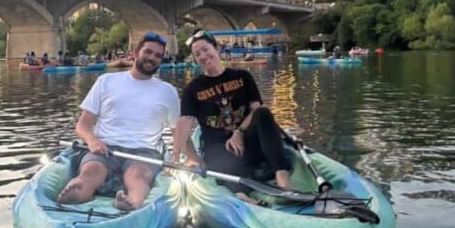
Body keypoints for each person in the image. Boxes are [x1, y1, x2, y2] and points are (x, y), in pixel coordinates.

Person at [57, 32, 180, 210]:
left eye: (158, 56)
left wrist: (177, 158)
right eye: (148, 52)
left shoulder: (168, 91)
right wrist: (92, 141)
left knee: (137, 176)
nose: (152, 58)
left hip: (144, 151)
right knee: (91, 171)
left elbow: (177, 131)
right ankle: (77, 190)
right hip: (105, 147)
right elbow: (82, 125)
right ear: (137, 52)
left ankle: (132, 201)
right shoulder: (106, 81)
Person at [173, 29, 292, 198]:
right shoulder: (193, 89)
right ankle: (242, 196)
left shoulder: (242, 76)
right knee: (222, 158)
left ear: (217, 49)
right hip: (219, 148)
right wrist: (175, 155)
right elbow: (184, 121)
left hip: (248, 142)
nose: (203, 56)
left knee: (263, 113)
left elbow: (256, 109)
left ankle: (284, 183)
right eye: (197, 54)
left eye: (206, 49)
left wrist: (239, 133)